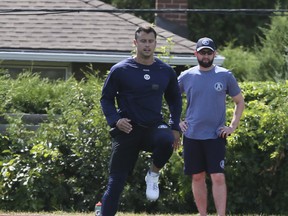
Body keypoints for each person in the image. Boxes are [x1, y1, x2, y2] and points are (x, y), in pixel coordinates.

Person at [99, 25, 182, 216]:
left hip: (153, 127)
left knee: (167, 140)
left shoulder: (165, 71)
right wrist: (115, 120)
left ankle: (153, 174)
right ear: (135, 43)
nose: (147, 45)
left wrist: (174, 125)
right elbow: (106, 99)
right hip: (128, 129)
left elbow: (175, 99)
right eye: (143, 41)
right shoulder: (120, 70)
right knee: (116, 182)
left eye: (150, 41)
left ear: (155, 43)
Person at [178, 37, 245, 216]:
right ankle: (203, 214)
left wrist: (232, 126)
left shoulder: (225, 75)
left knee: (217, 176)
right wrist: (176, 120)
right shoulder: (186, 76)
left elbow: (239, 102)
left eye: (209, 52)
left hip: (216, 136)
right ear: (196, 54)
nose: (206, 56)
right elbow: (171, 98)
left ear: (214, 54)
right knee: (197, 176)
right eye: (202, 52)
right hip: (191, 135)